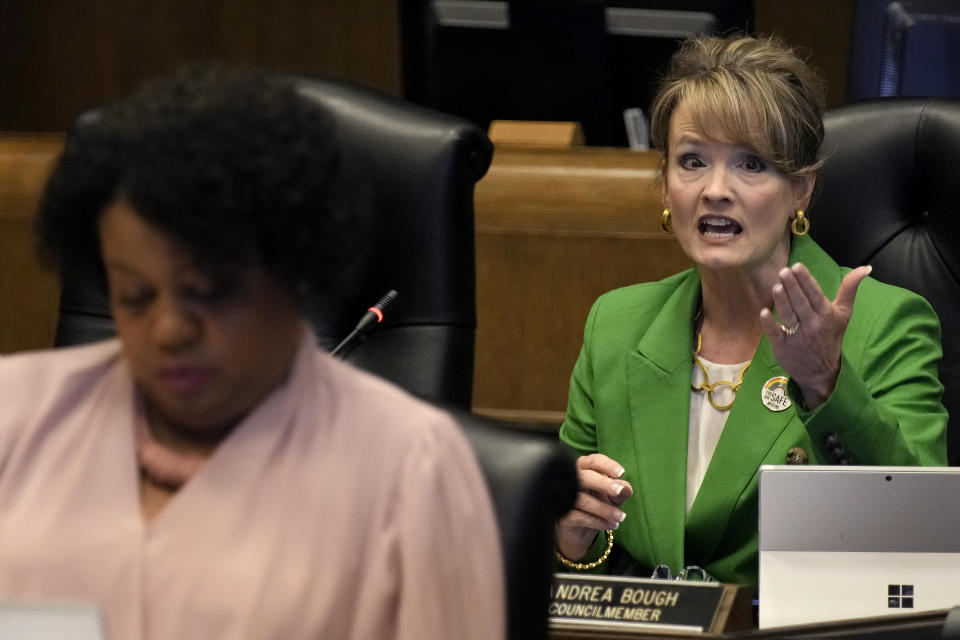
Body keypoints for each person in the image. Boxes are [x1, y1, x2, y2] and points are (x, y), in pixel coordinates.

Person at [0, 68, 504, 639]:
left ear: (296, 276)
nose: (168, 330)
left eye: (210, 294)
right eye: (134, 295)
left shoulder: (412, 467)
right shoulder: (14, 419)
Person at [555, 35, 948, 589]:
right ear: (665, 186)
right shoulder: (616, 325)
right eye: (692, 161)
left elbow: (919, 538)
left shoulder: (886, 324)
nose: (715, 190)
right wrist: (572, 538)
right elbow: (581, 546)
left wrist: (825, 384)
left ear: (800, 192)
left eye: (751, 164)